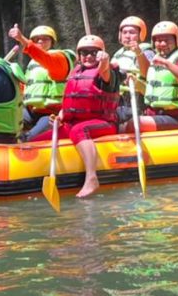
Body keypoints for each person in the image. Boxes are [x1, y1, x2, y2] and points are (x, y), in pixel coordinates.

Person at [30, 34, 121, 199]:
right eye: (84, 52)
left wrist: (104, 61)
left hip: (103, 123)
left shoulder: (108, 73)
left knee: (79, 130)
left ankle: (92, 178)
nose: (88, 56)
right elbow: (71, 102)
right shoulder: (75, 72)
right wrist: (60, 116)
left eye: (94, 53)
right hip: (72, 123)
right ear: (78, 55)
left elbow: (104, 71)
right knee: (35, 141)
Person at [5, 24, 75, 136]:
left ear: (52, 42)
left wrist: (22, 39)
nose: (41, 42)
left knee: (29, 138)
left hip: (51, 113)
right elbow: (26, 87)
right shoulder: (33, 63)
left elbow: (45, 58)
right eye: (37, 40)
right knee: (5, 125)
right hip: (30, 111)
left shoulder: (60, 58)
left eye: (45, 39)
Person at [138, 21, 178, 131]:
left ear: (176, 41)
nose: (162, 44)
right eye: (158, 41)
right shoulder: (156, 60)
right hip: (158, 114)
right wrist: (136, 83)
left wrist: (167, 63)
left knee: (135, 124)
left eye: (167, 40)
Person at [110, 16, 153, 123]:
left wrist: (138, 53)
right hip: (119, 101)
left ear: (140, 35)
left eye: (132, 32)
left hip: (139, 101)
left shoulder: (146, 51)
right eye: (124, 32)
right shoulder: (118, 54)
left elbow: (149, 73)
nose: (127, 36)